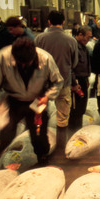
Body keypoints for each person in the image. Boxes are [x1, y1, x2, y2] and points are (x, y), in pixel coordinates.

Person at [0, 37, 63, 168]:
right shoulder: (3, 56)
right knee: (6, 132)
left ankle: (42, 158)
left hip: (37, 102)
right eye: (20, 63)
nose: (24, 66)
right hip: (14, 101)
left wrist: (48, 96)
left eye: (27, 62)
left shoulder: (46, 58)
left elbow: (58, 81)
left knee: (38, 135)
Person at [35, 10, 79, 154]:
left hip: (43, 86)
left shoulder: (39, 39)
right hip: (63, 84)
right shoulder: (71, 40)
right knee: (62, 117)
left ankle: (42, 146)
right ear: (63, 22)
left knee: (40, 115)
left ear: (48, 22)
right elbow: (74, 63)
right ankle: (61, 148)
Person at [69, 26, 93, 133]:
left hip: (83, 80)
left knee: (81, 108)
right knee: (75, 109)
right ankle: (73, 132)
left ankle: (77, 130)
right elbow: (70, 67)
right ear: (80, 35)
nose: (88, 40)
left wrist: (87, 79)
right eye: (87, 37)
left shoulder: (83, 47)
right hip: (76, 82)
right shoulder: (74, 47)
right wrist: (74, 83)